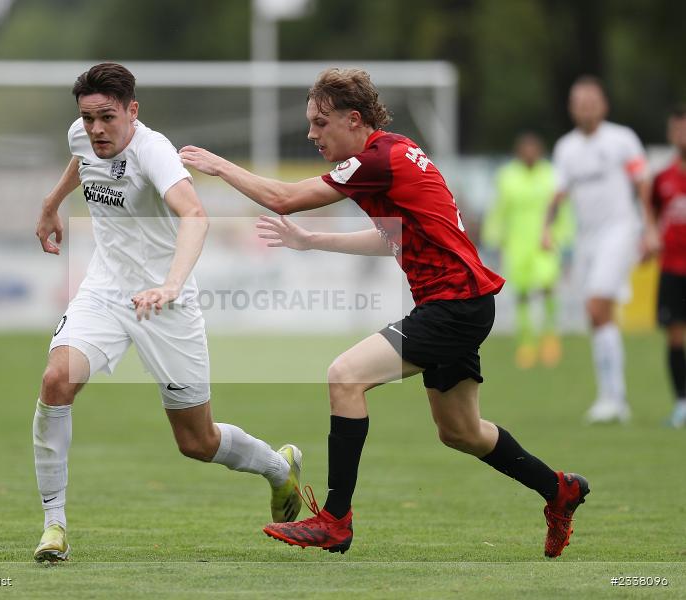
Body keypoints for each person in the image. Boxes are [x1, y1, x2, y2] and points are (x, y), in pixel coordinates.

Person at [180, 67, 588, 558]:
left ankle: (335, 519)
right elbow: (392, 237)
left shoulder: (378, 159)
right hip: (461, 303)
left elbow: (282, 198)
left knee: (344, 376)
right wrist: (313, 242)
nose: (312, 133)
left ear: (354, 120)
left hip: (454, 305)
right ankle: (559, 489)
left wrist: (219, 167)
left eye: (320, 122)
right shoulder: (391, 155)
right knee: (460, 431)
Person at [31, 63, 302, 563]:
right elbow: (80, 159)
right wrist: (51, 204)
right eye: (87, 117)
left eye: (106, 118)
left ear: (133, 111)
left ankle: (276, 466)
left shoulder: (154, 152)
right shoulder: (83, 135)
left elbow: (195, 215)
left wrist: (171, 285)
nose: (95, 129)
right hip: (106, 293)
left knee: (197, 441)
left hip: (167, 305)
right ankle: (54, 526)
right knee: (55, 382)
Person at [543, 76, 655, 424]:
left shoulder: (622, 139)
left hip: (620, 231)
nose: (585, 107)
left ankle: (613, 398)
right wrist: (546, 228)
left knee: (596, 305)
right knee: (597, 315)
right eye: (579, 101)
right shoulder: (566, 148)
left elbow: (641, 183)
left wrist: (649, 227)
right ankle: (612, 397)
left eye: (591, 101)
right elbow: (559, 193)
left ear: (603, 105)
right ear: (571, 108)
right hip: (587, 239)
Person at [483, 133, 573, 369]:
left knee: (547, 285)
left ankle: (550, 335)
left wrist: (563, 235)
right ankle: (526, 341)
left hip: (545, 240)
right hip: (517, 243)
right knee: (521, 292)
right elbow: (499, 209)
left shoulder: (551, 175)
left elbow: (561, 209)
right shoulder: (507, 176)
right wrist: (492, 236)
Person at [648, 106, 686, 427]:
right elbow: (652, 214)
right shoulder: (663, 178)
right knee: (674, 335)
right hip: (672, 268)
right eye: (677, 129)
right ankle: (681, 402)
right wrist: (649, 237)